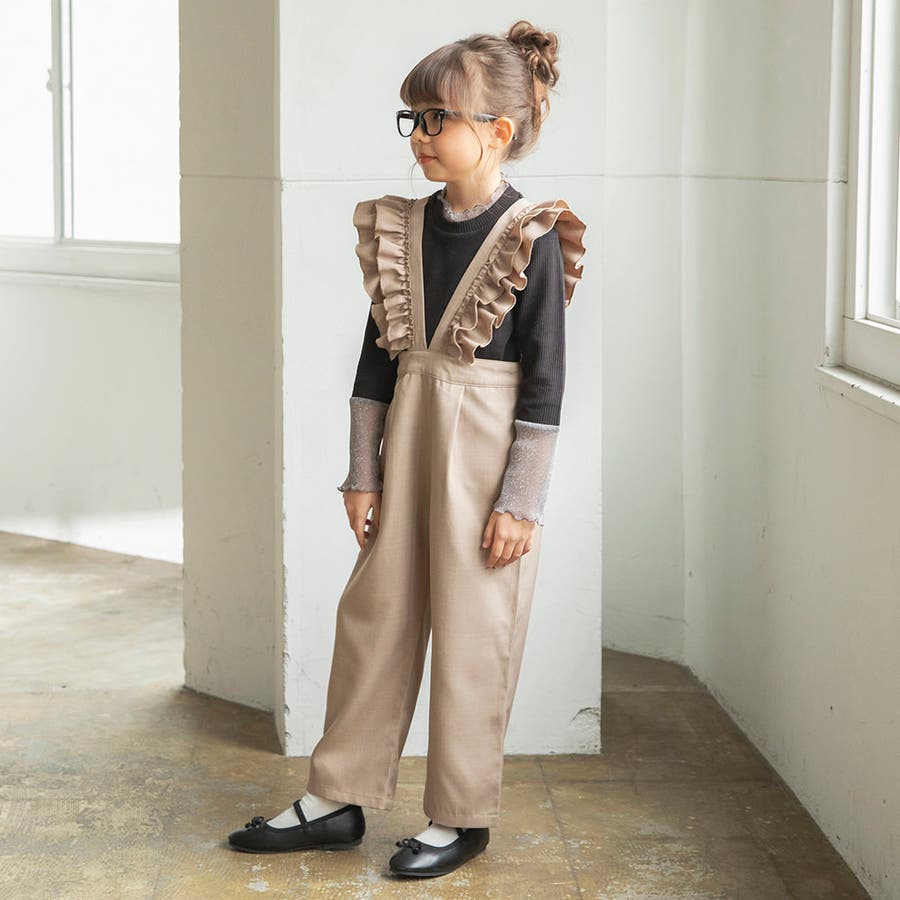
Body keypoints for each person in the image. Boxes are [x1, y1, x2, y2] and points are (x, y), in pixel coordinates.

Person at [227, 18, 587, 879]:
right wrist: (363, 472)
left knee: (474, 633)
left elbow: (545, 384)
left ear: (496, 130)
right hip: (408, 445)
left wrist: (521, 502)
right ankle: (337, 798)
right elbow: (374, 364)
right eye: (413, 118)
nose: (420, 135)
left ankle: (460, 814)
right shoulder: (405, 229)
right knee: (374, 618)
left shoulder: (530, 237)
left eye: (437, 118)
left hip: (485, 467)